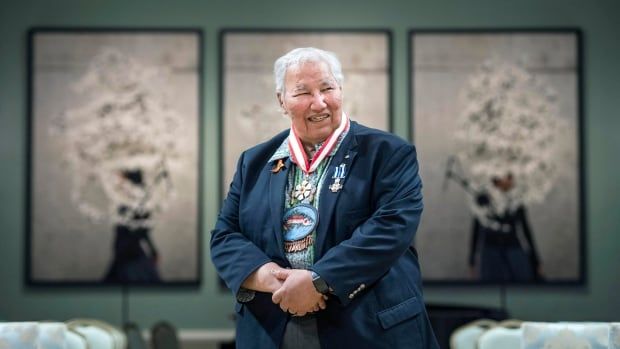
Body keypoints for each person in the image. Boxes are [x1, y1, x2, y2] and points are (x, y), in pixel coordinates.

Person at [211, 47, 438, 348]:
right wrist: (274, 280)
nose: (319, 102)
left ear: (340, 89)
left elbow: (390, 228)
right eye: (303, 92)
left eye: (327, 88)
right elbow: (225, 236)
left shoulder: (387, 152)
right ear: (282, 100)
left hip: (368, 329)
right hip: (275, 327)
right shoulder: (254, 162)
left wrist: (318, 280)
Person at [468, 173, 544, 282]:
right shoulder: (483, 197)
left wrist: (536, 261)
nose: (509, 181)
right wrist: (471, 261)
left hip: (513, 249)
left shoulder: (516, 200)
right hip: (491, 252)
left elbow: (526, 229)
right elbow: (476, 229)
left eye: (510, 177)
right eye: (506, 177)